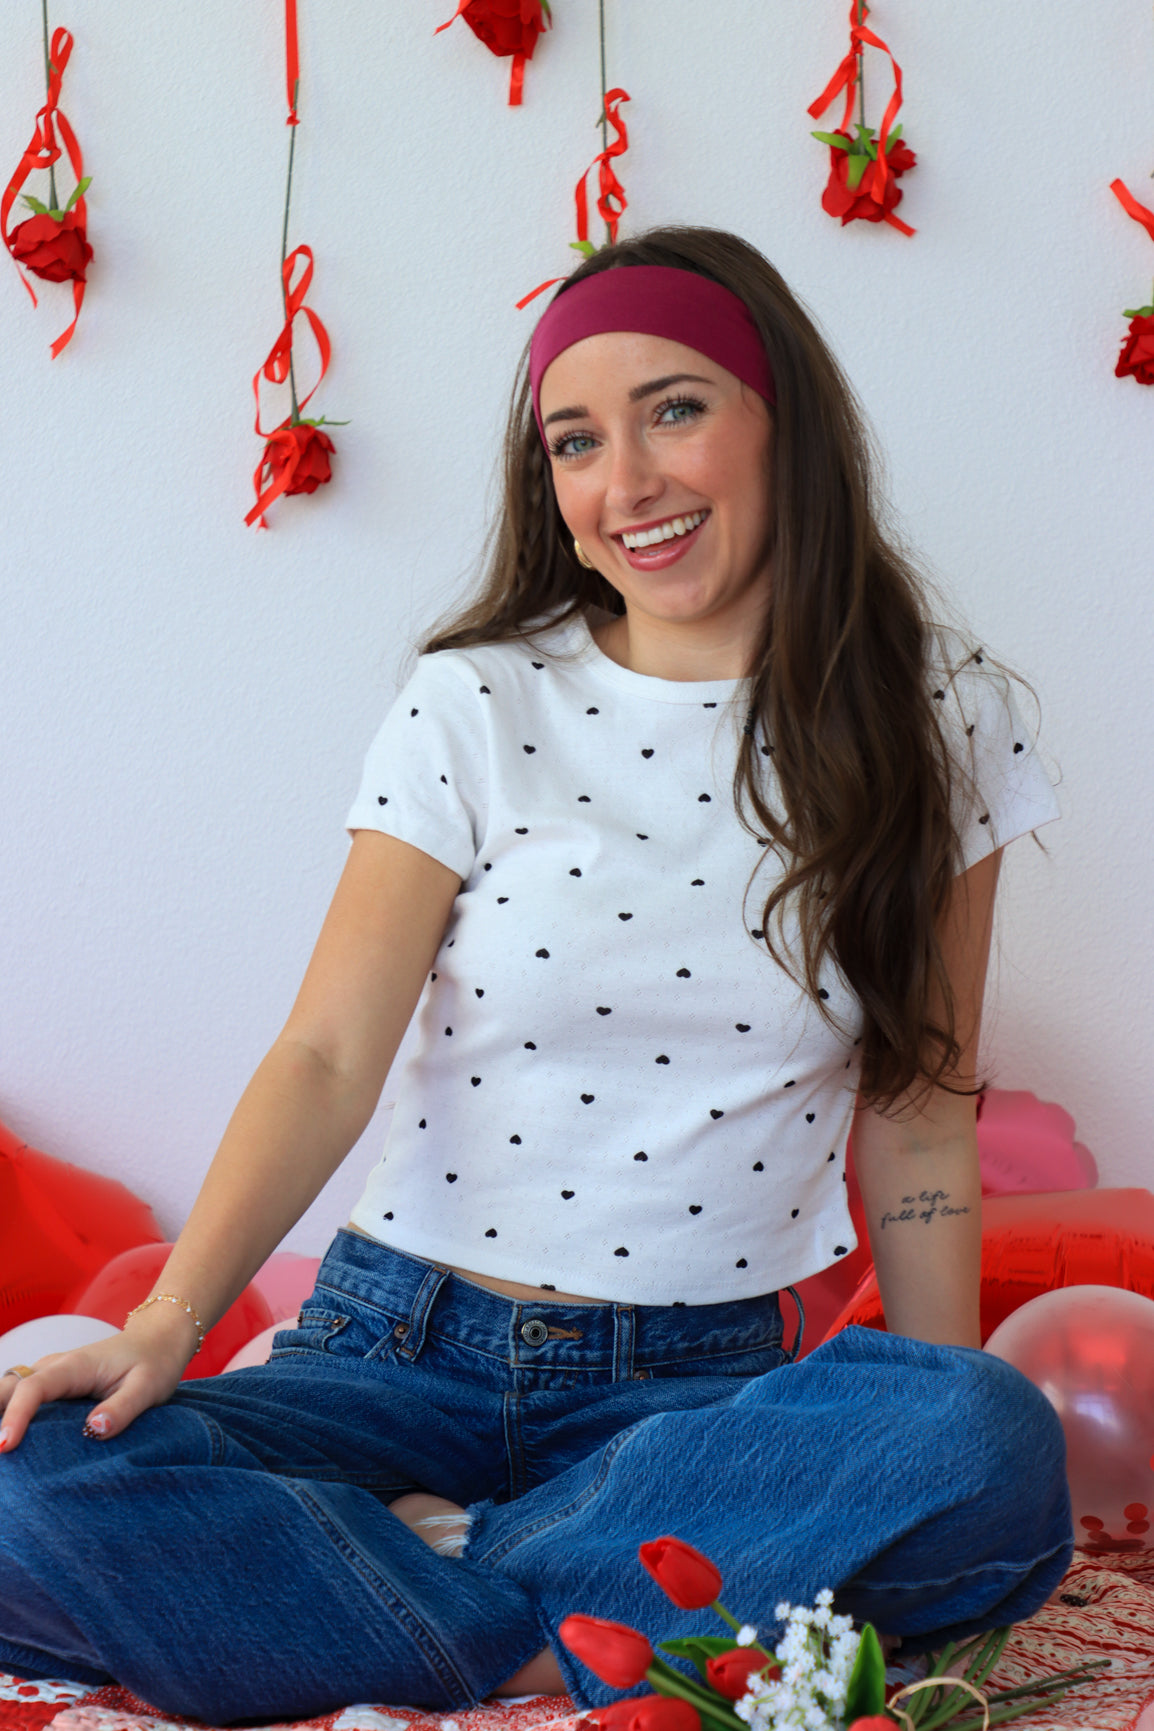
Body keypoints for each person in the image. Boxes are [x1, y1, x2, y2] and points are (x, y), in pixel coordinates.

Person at [0, 228, 1072, 1725]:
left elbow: (919, 1109)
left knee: (986, 1445)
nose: (624, 481)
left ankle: (397, 1586)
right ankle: (573, 1613)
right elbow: (324, 1056)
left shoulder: (941, 721)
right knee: (35, 1474)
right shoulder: (476, 703)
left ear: (786, 424)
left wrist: (903, 1440)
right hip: (396, 1348)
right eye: (576, 440)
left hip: (694, 1395)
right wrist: (167, 1330)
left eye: (675, 409)